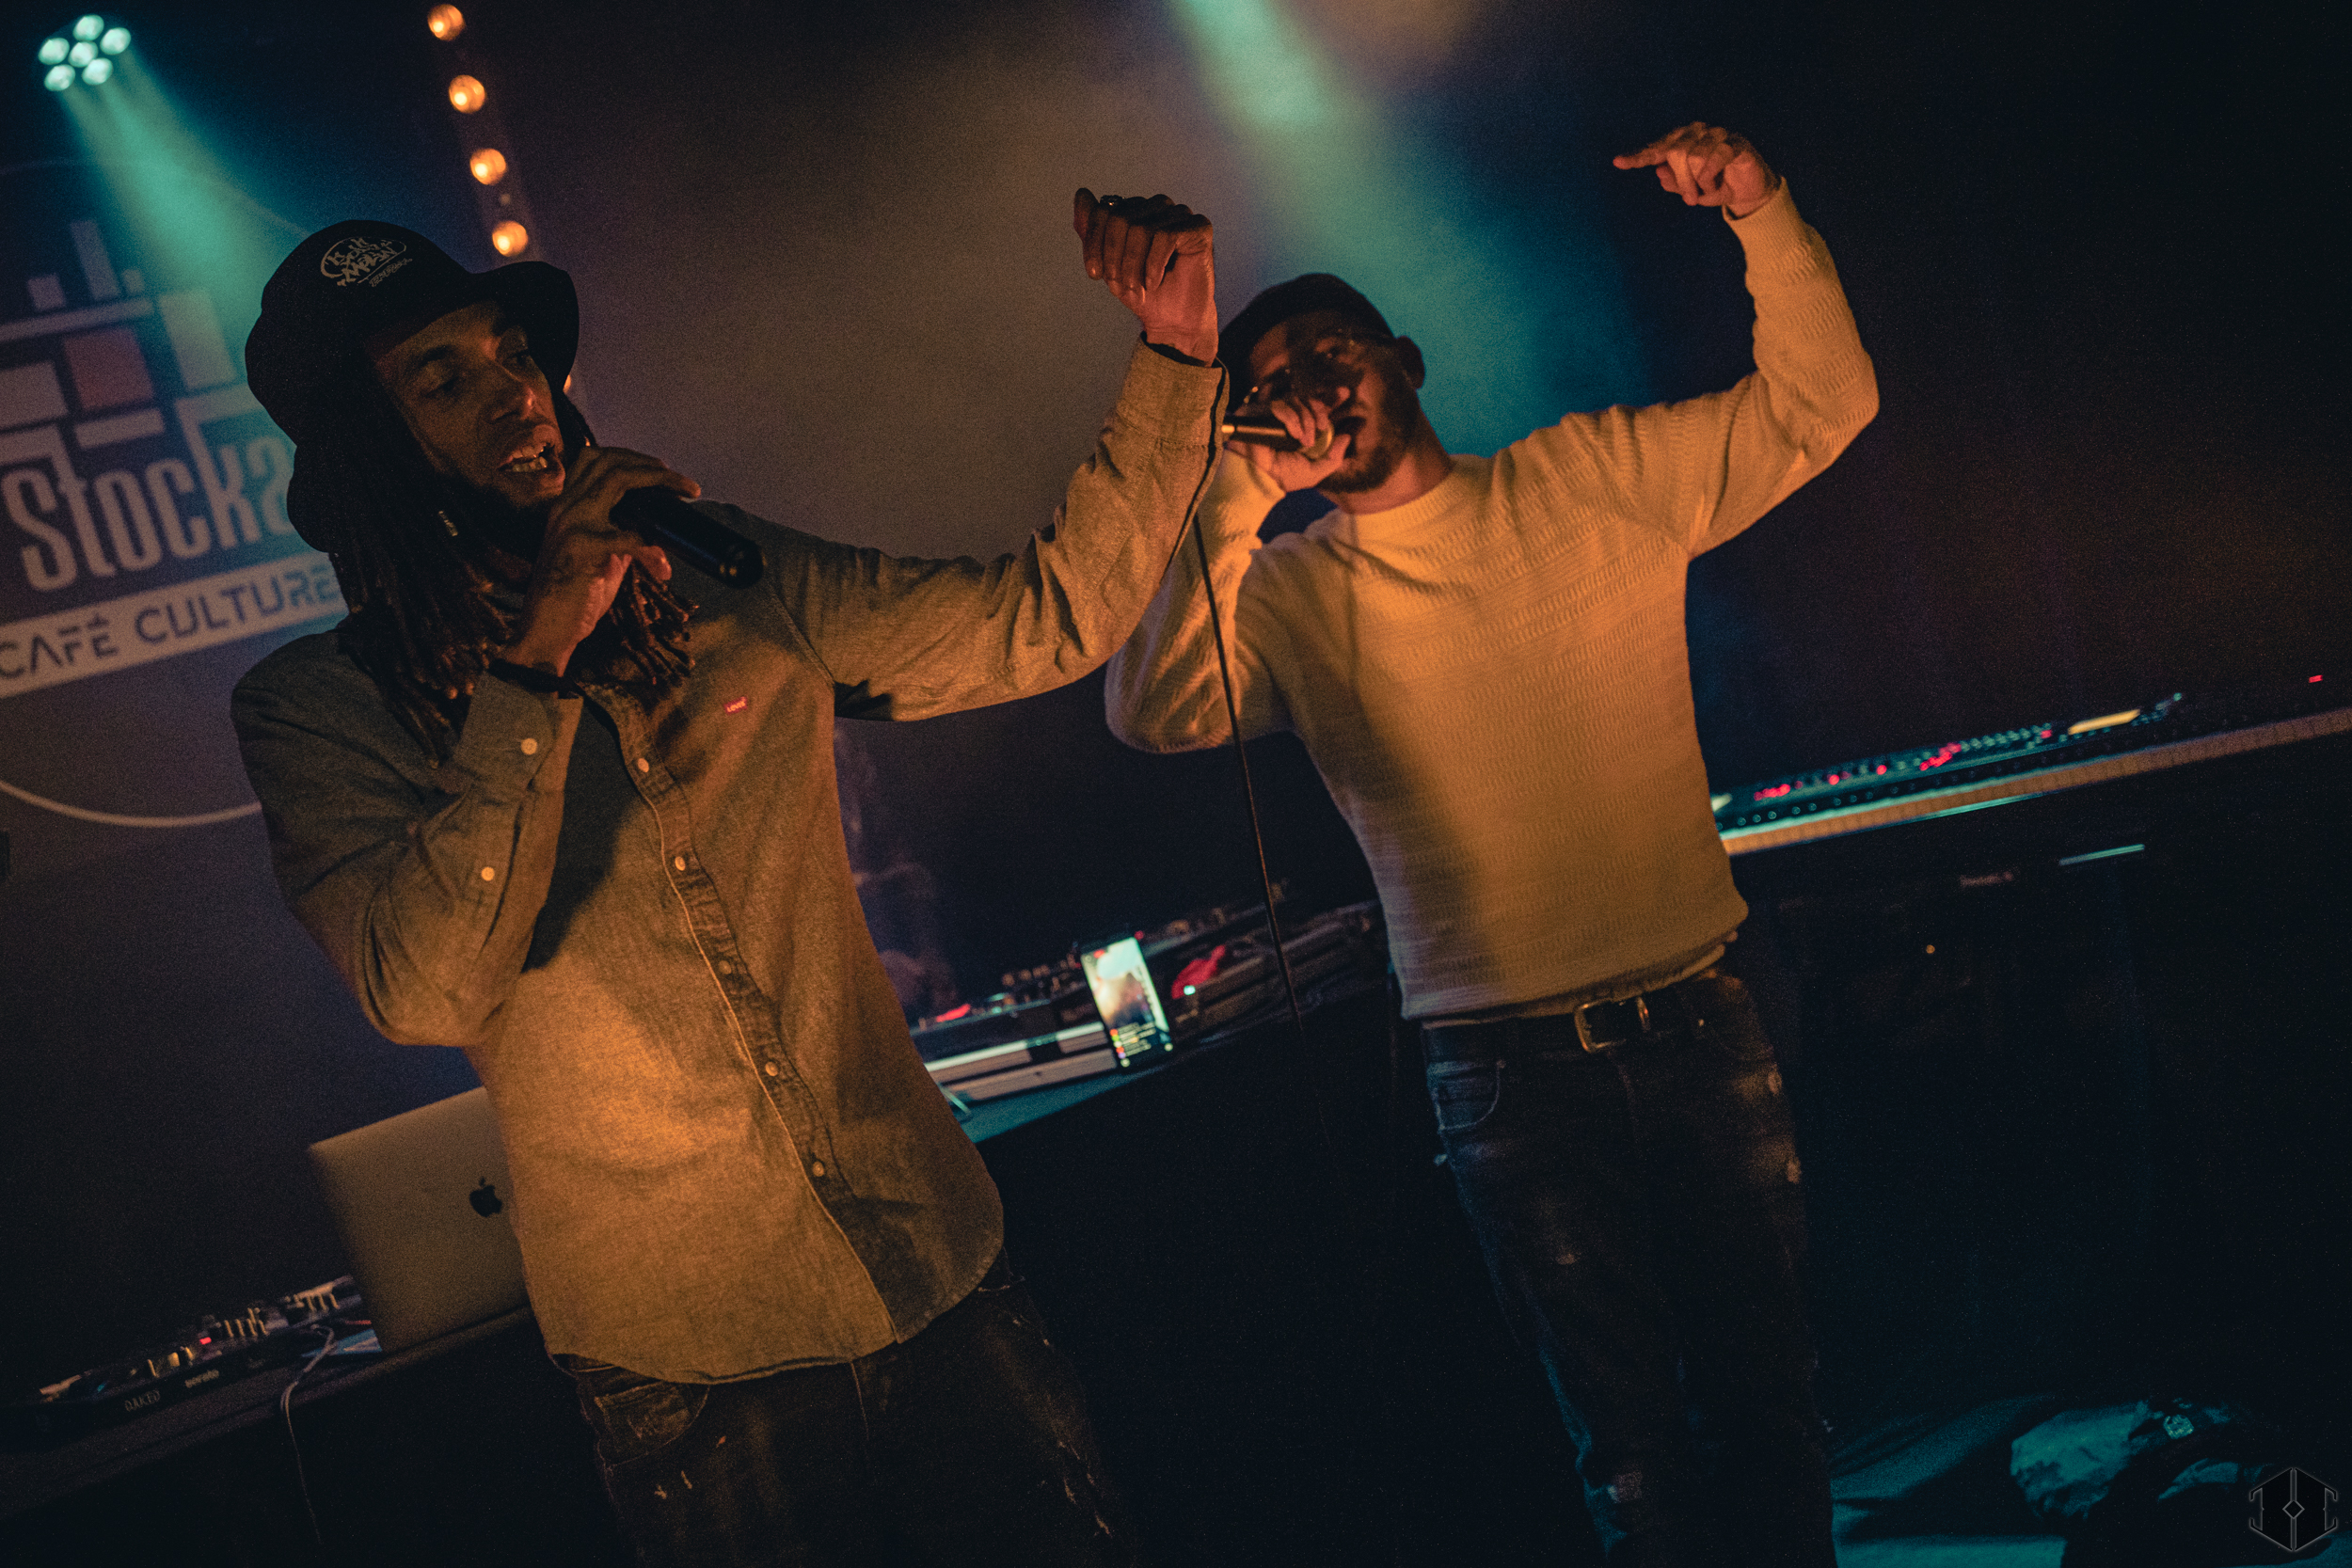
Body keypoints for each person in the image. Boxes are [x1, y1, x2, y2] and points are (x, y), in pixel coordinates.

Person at [233, 188, 1225, 1566]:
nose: (514, 394)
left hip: (934, 1266)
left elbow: (1043, 617)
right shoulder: (318, 711)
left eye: (513, 354)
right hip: (691, 1365)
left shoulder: (723, 583)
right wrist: (539, 654)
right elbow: (425, 987)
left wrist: (1177, 355)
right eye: (441, 380)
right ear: (364, 452)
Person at [1106, 123, 1877, 1565]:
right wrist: (1237, 495)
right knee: (1634, 1464)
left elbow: (1825, 406)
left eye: (1331, 353)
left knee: (1774, 1415)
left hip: (1699, 1016)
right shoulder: (1287, 593)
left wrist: (1761, 211)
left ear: (1406, 357)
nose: (1308, 389)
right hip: (1505, 1072)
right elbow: (1152, 709)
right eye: (1270, 387)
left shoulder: (1589, 475)